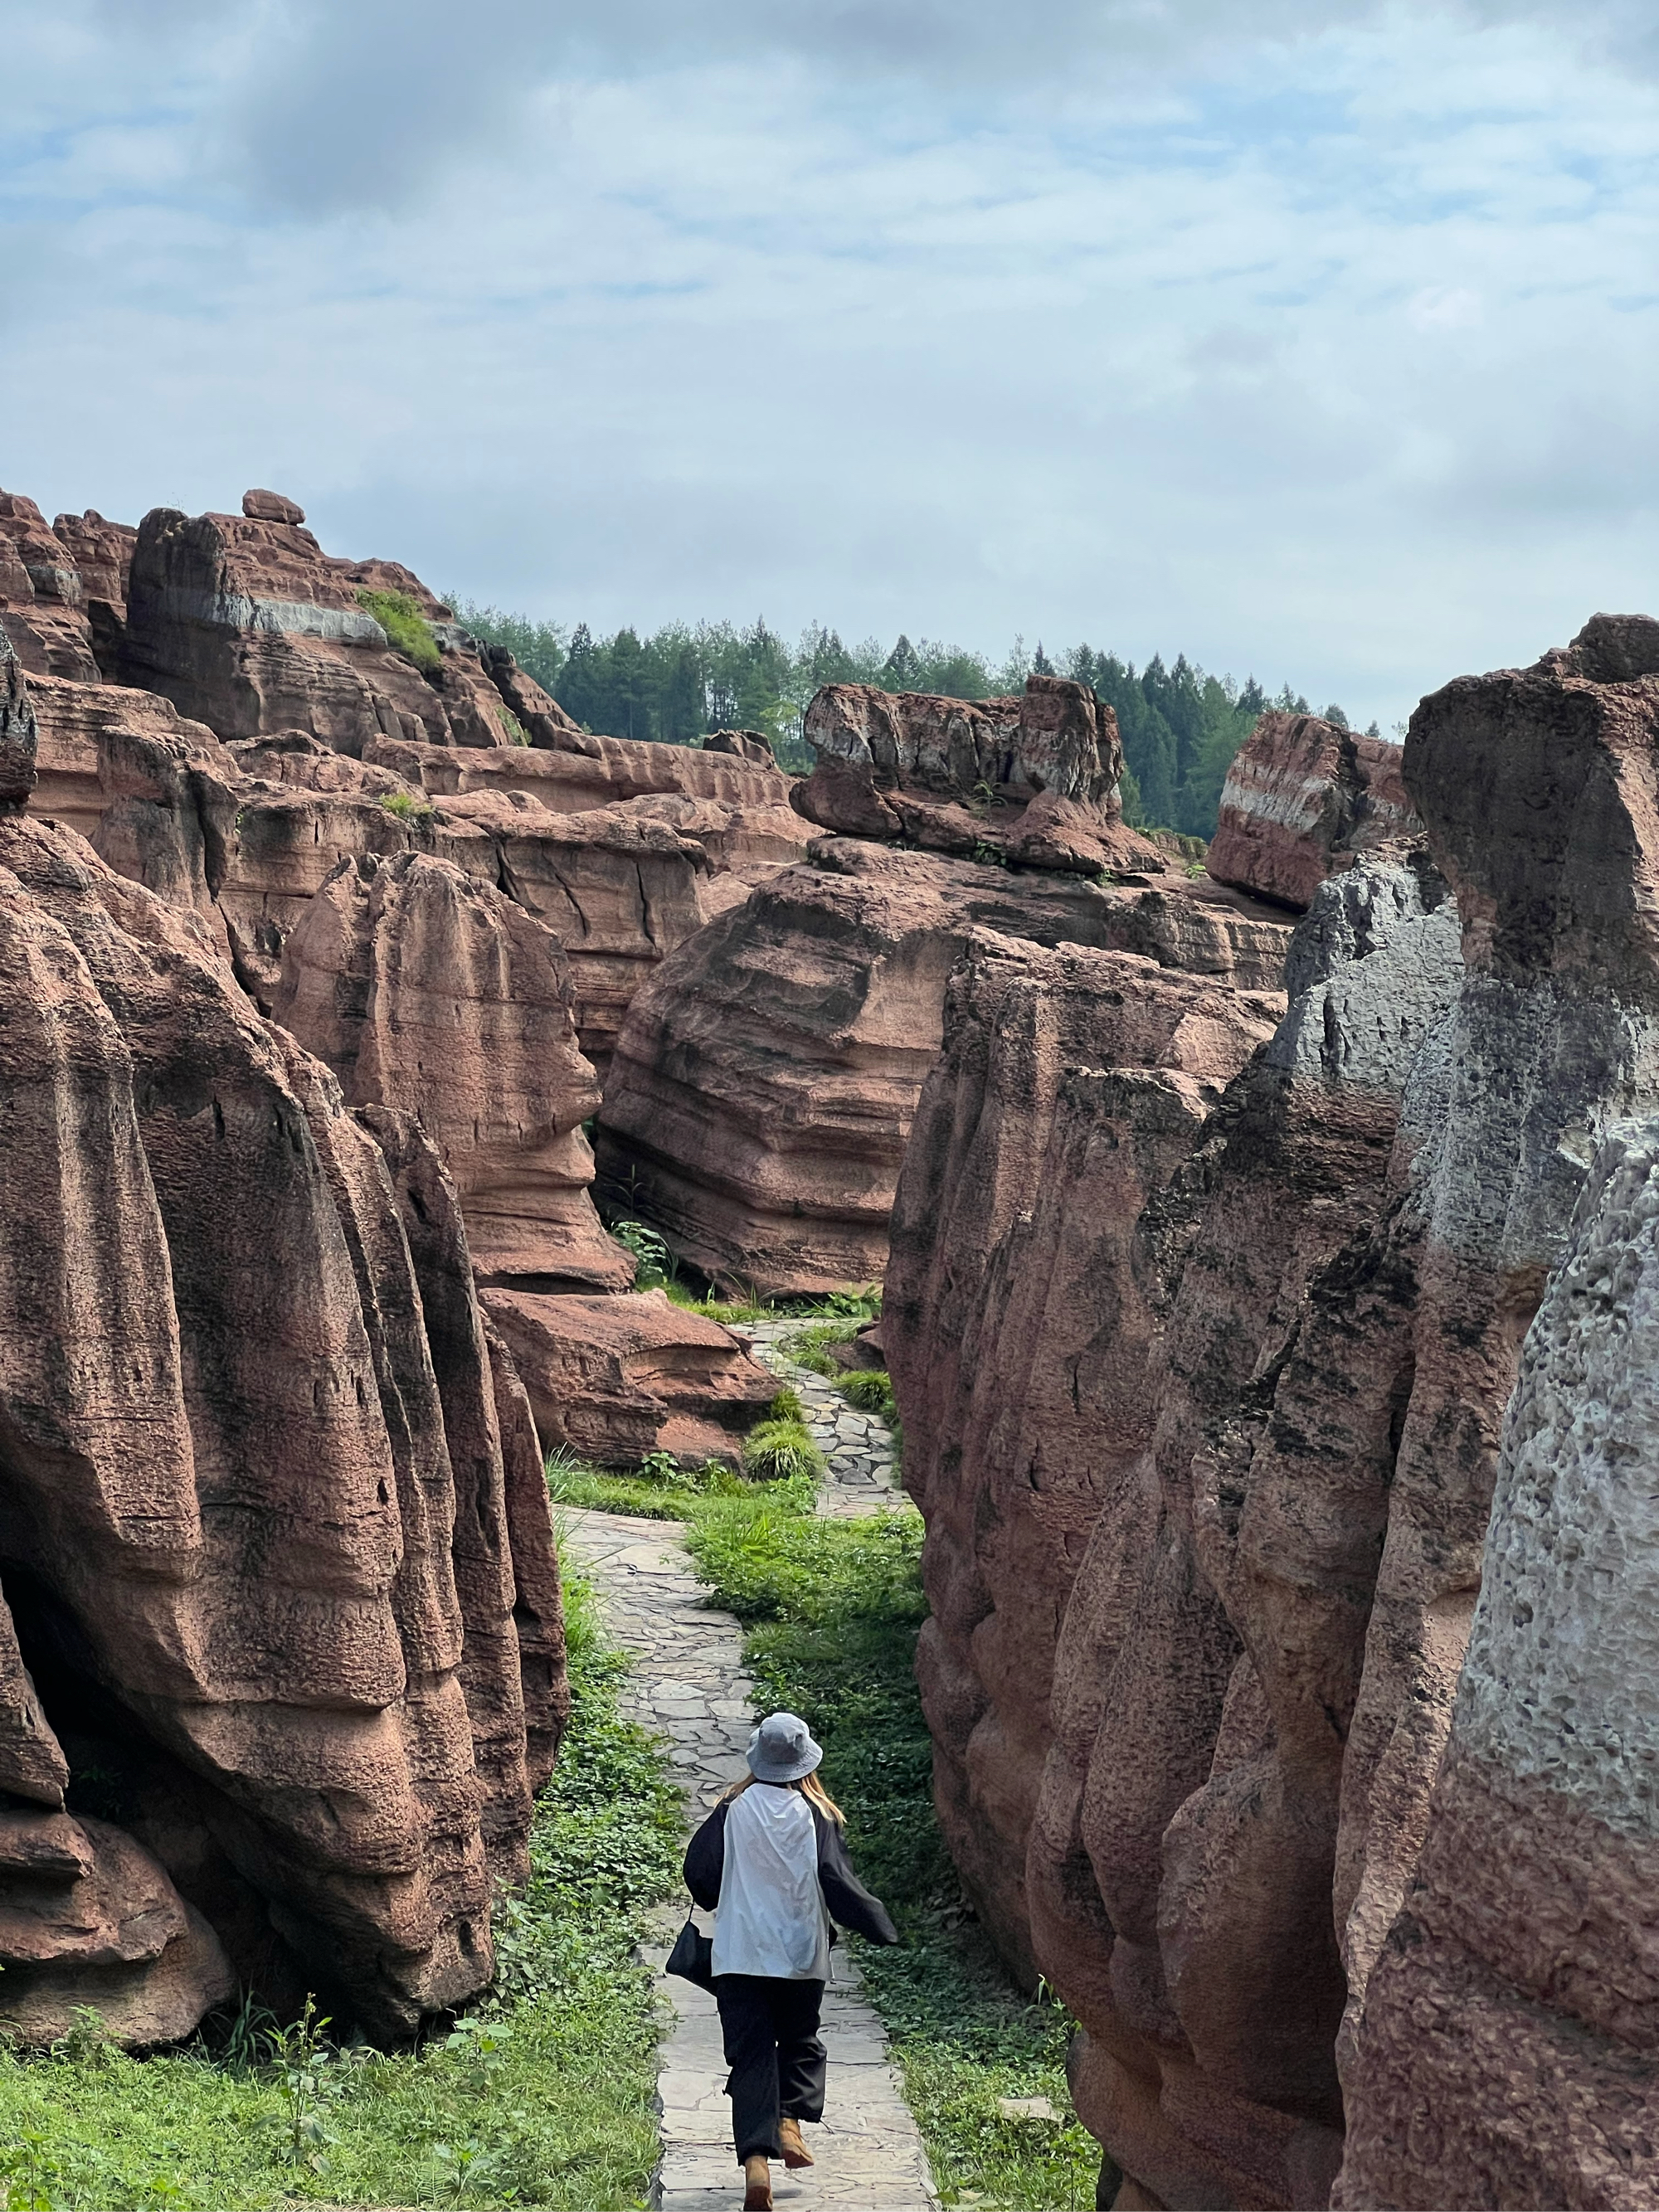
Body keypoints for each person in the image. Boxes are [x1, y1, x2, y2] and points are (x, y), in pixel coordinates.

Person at [683, 1709, 898, 2212]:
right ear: (805, 1764)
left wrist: (720, 1897)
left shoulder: (731, 1809)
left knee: (751, 2051)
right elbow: (836, 1881)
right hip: (800, 1955)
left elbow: (699, 1871)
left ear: (757, 1758)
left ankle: (757, 2164)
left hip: (739, 1955)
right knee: (800, 2040)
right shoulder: (817, 1814)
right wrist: (879, 1926)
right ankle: (788, 2122)